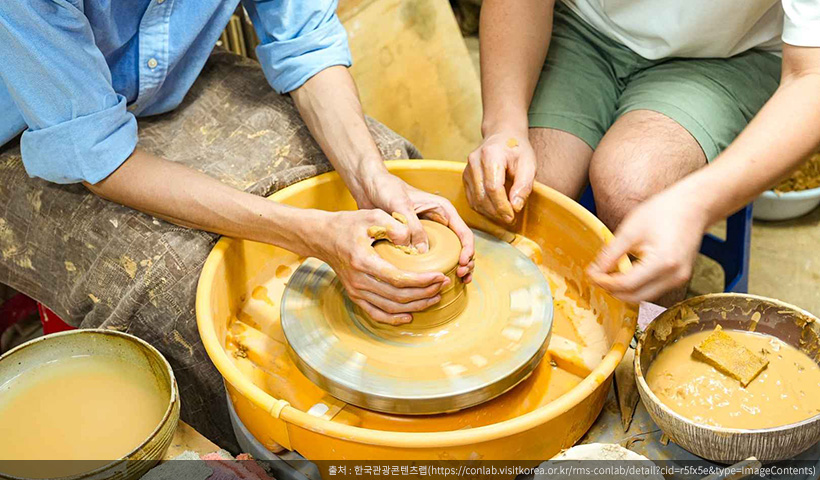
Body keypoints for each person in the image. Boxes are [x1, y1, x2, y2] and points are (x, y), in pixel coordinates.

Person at [0, 0, 473, 448]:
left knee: (391, 160)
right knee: (182, 287)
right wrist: (312, 234)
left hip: (169, 76)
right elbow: (97, 156)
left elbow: (304, 42)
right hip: (33, 122)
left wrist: (371, 177)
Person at [465, 0, 820, 304]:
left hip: (733, 51)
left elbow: (811, 76)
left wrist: (695, 204)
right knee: (522, 195)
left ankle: (639, 359)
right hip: (587, 24)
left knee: (634, 188)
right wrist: (504, 128)